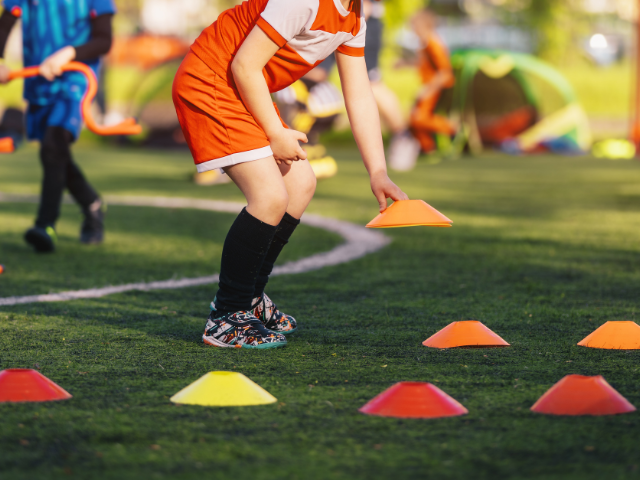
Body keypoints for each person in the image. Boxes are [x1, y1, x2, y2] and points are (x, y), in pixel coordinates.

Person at [173, 0, 408, 349]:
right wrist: (274, 131)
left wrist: (377, 171)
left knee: (300, 184)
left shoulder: (355, 16)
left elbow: (358, 95)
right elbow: (245, 65)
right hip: (212, 81)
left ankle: (250, 299)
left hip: (240, 87)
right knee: (269, 197)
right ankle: (226, 316)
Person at [0, 0, 115, 253]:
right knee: (55, 154)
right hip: (37, 84)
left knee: (53, 146)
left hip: (75, 80)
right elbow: (6, 23)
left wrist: (69, 53)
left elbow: (104, 40)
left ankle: (45, 225)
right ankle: (92, 203)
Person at [407, 10, 456, 156]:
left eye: (414, 25)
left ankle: (452, 128)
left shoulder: (433, 42)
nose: (412, 29)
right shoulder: (424, 43)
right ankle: (427, 148)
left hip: (434, 87)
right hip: (427, 85)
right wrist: (405, 63)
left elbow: (445, 72)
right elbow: (424, 64)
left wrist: (428, 89)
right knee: (413, 118)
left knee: (418, 118)